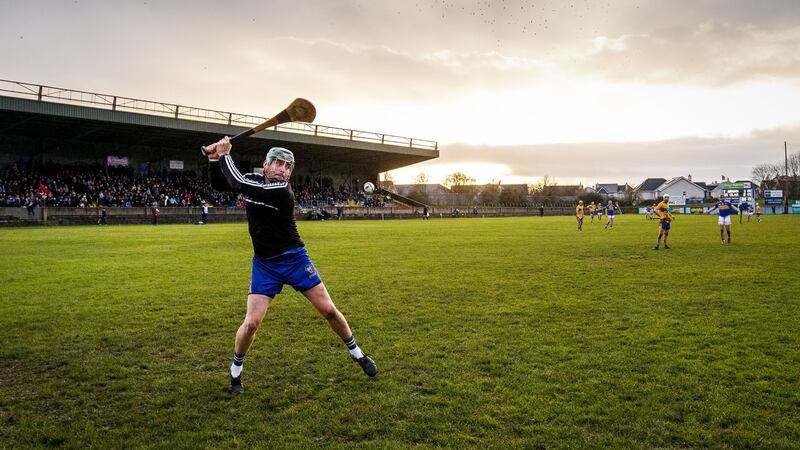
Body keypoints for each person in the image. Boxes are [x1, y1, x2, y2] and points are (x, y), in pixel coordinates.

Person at [203, 137, 377, 395]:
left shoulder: (282, 191)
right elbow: (222, 183)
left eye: (287, 166)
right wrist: (213, 159)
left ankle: (357, 353)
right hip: (265, 265)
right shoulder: (253, 178)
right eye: (278, 163)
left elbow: (235, 181)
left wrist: (226, 152)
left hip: (295, 259)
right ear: (266, 165)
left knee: (329, 310)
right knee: (251, 323)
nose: (283, 169)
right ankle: (235, 372)